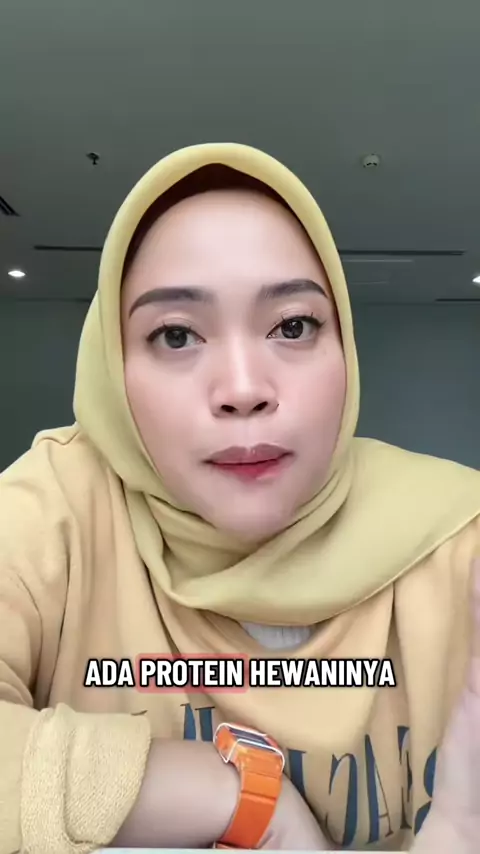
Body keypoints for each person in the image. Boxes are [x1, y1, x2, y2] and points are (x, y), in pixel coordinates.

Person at [0, 142, 478, 854]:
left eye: (293, 326)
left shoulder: (459, 539)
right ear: (113, 369)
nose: (245, 389)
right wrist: (242, 798)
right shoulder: (56, 509)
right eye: (176, 335)